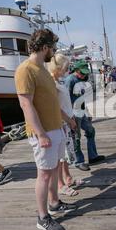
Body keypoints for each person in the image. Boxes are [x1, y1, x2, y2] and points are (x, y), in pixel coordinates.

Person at [15, 29, 77, 230]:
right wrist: (41, 134)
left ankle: (55, 203)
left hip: (56, 129)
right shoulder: (26, 70)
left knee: (53, 171)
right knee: (43, 175)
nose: (53, 51)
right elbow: (26, 105)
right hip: (44, 132)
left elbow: (52, 104)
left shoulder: (43, 69)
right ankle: (42, 217)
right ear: (44, 47)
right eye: (52, 48)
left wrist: (68, 120)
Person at [47, 53, 84, 196]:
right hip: (61, 122)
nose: (67, 70)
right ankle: (60, 184)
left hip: (67, 120)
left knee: (67, 152)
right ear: (59, 67)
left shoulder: (59, 80)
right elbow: (55, 106)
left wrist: (71, 116)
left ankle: (67, 178)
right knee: (60, 156)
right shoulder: (52, 81)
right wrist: (69, 120)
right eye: (66, 67)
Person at [64, 60, 105, 171]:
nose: (83, 75)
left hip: (81, 111)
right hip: (73, 113)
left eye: (85, 73)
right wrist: (69, 116)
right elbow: (65, 99)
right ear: (76, 70)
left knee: (90, 130)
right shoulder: (70, 80)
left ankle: (93, 156)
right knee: (76, 137)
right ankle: (79, 161)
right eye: (81, 72)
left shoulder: (80, 80)